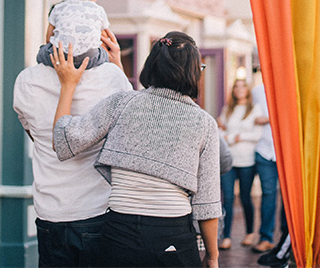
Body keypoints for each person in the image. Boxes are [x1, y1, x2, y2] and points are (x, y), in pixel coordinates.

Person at [51, 32, 221, 267]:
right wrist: (212, 256)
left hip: (119, 233)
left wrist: (68, 85)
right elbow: (207, 204)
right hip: (173, 236)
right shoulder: (204, 123)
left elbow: (64, 140)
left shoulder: (122, 103)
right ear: (194, 72)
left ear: (151, 65)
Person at [13, 30, 132, 267]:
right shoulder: (111, 78)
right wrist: (116, 65)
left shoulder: (26, 80)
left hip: (50, 212)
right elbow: (128, 123)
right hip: (94, 210)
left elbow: (36, 136)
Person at [36, 0, 110, 69]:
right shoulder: (99, 10)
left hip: (59, 56)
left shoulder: (58, 8)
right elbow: (104, 38)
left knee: (42, 51)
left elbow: (48, 37)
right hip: (89, 59)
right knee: (103, 54)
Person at [217, 78, 261, 250]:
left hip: (247, 161)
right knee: (227, 198)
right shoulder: (227, 109)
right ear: (233, 90)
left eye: (243, 86)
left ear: (247, 90)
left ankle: (250, 233)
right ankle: (226, 236)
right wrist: (228, 136)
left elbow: (256, 135)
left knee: (245, 197)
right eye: (236, 86)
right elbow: (220, 130)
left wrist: (237, 136)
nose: (239, 89)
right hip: (229, 160)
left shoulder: (254, 110)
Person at [252, 83, 285, 254]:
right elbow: (250, 115)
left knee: (288, 196)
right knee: (268, 194)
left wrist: (271, 118)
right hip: (264, 150)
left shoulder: (291, 86)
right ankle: (266, 237)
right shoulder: (257, 90)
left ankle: (287, 238)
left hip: (286, 151)